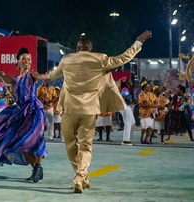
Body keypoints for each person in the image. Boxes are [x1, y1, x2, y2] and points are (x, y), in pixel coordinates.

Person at [48, 30, 152, 193]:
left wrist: (36, 75)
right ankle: (81, 177)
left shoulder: (66, 59)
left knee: (69, 143)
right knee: (86, 145)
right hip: (89, 110)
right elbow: (123, 58)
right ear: (90, 48)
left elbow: (52, 75)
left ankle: (80, 176)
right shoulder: (100, 59)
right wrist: (138, 43)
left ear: (77, 47)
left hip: (69, 109)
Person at [0, 48, 51, 183]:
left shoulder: (32, 75)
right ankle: (37, 169)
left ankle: (37, 170)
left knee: (36, 140)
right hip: (21, 113)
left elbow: (42, 77)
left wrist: (52, 75)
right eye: (24, 59)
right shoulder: (14, 79)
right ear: (18, 61)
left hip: (34, 111)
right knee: (21, 143)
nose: (27, 61)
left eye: (29, 59)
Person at [119, 77, 136, 146]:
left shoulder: (128, 89)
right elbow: (122, 98)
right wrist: (131, 101)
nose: (131, 81)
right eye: (129, 80)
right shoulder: (125, 89)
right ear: (126, 82)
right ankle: (126, 140)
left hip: (128, 107)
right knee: (128, 123)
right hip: (125, 107)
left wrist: (134, 101)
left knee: (132, 122)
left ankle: (127, 138)